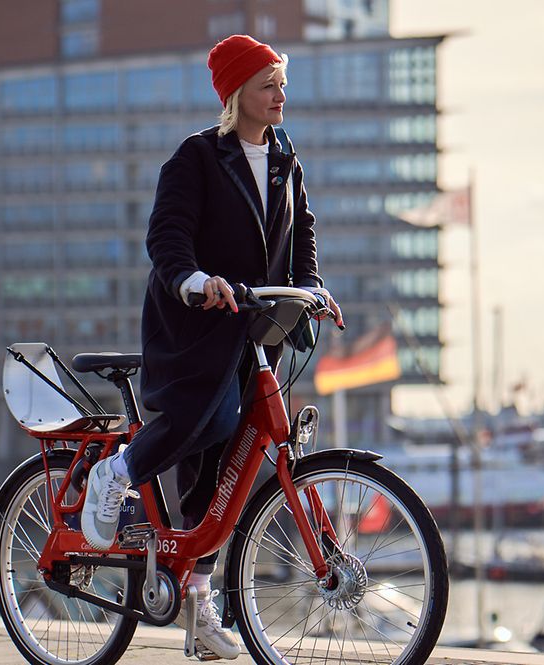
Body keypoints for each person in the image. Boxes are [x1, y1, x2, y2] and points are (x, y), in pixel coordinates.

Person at [81, 34, 343, 659]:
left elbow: (301, 232)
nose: (281, 95)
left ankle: (199, 609)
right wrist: (194, 280)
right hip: (195, 325)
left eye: (282, 83)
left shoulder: (284, 158)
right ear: (236, 95)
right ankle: (113, 473)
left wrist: (311, 287)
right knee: (213, 417)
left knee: (231, 464)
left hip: (255, 328)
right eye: (268, 85)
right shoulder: (196, 158)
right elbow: (166, 236)